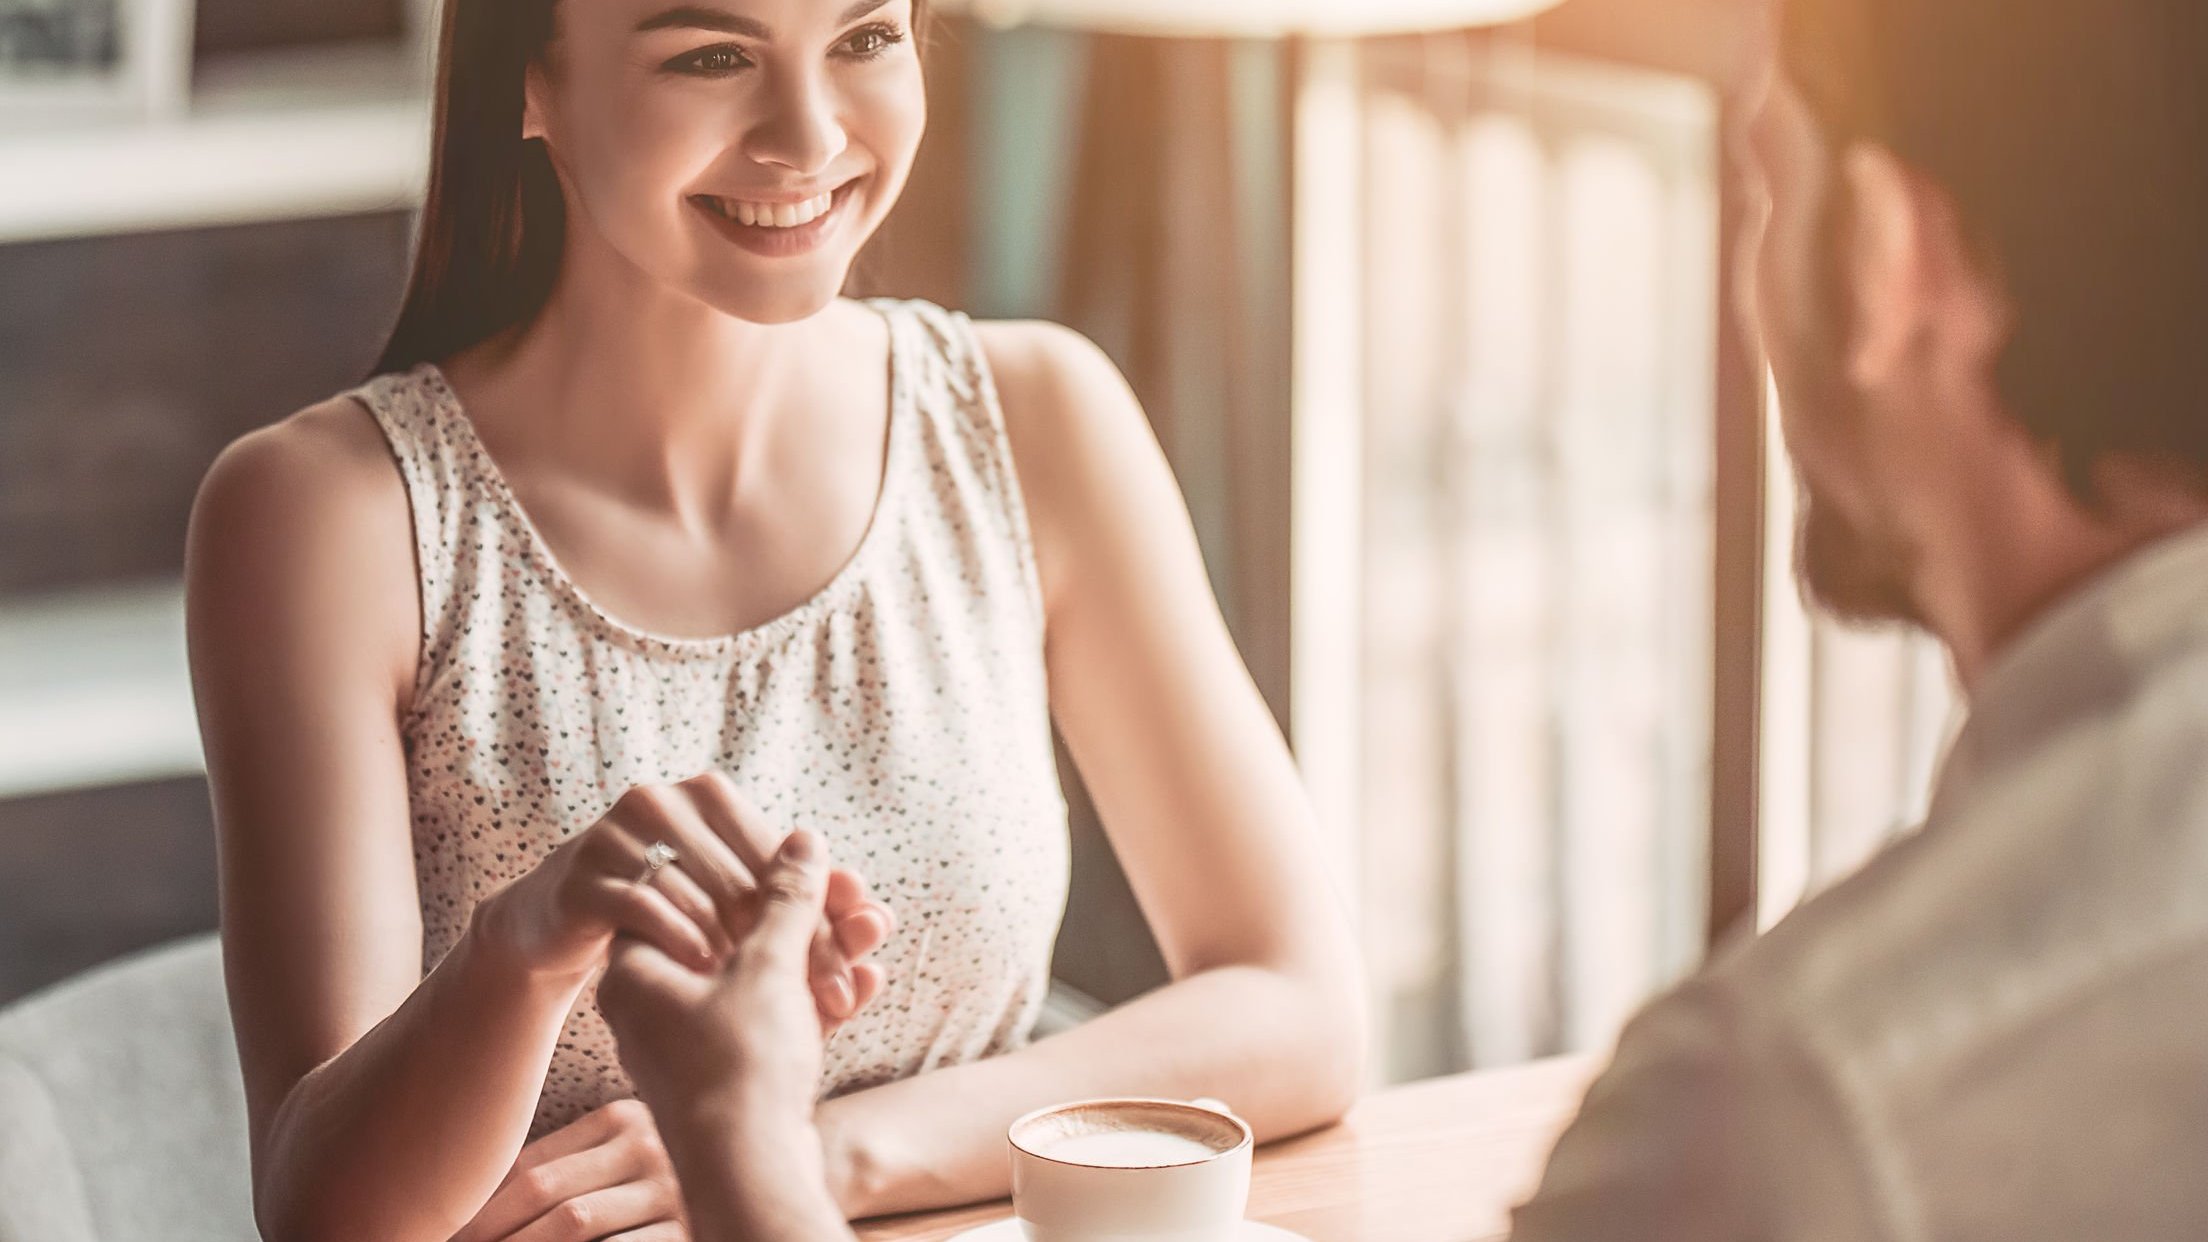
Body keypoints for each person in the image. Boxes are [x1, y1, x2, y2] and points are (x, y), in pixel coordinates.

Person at [597, 0, 2208, 1235]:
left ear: (1880, 263)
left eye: (1761, 185)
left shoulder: (1788, 1112)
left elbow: (1302, 1000)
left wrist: (754, 1157)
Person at [184, 0, 1366, 1237]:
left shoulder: (1034, 418)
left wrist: (787, 1150)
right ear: (530, 88)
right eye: (711, 57)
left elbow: (1298, 1005)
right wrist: (519, 954)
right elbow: (328, 1219)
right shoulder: (329, 514)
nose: (807, 136)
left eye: (863, 40)